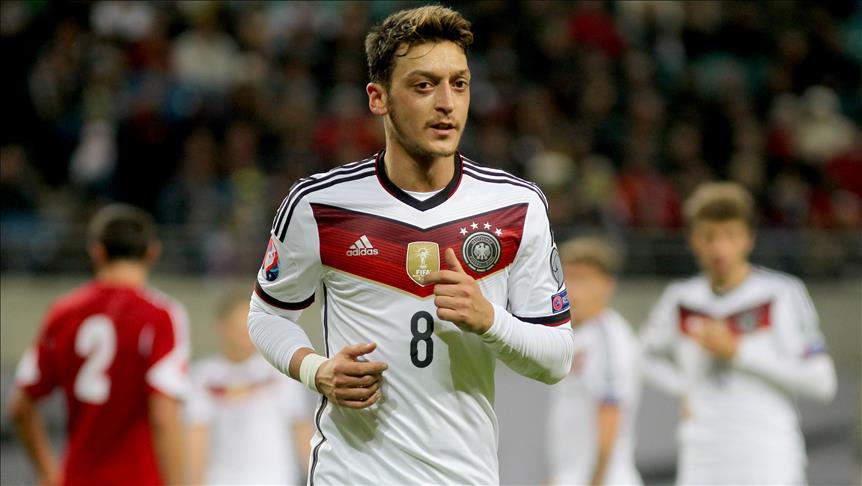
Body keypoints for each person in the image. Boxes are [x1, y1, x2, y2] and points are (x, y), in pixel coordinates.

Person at [247, 5, 575, 484]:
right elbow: (267, 315)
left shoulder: (515, 206)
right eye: (424, 86)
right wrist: (315, 370)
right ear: (378, 98)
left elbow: (557, 358)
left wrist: (490, 320)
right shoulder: (319, 206)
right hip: (351, 475)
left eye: (459, 84)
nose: (446, 103)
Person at [640, 182, 837, 485]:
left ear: (749, 239)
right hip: (701, 457)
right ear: (693, 240)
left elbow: (822, 383)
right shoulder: (681, 298)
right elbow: (642, 356)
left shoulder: (781, 293)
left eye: (730, 235)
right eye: (709, 236)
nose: (719, 248)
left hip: (767, 456)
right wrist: (683, 389)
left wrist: (739, 353)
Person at [8, 204, 189, 486]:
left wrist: (47, 472)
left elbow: (20, 407)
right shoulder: (161, 316)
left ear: (97, 251)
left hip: (78, 477)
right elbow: (164, 415)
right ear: (153, 253)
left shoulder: (63, 312)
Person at [186, 290, 314, 485]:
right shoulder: (202, 376)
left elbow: (302, 430)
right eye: (236, 328)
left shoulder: (281, 371)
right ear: (221, 327)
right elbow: (196, 438)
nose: (243, 335)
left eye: (248, 327)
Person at [547, 238, 642, 486]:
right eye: (568, 278)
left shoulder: (609, 338)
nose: (572, 289)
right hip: (572, 476)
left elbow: (610, 415)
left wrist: (595, 481)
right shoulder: (573, 336)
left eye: (583, 280)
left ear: (607, 286)